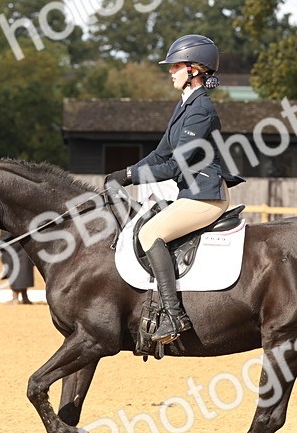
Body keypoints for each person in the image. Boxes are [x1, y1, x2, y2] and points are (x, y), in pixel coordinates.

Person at [104, 34, 244, 344]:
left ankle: (174, 315)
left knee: (149, 233)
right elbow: (159, 155)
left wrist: (129, 176)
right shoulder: (185, 106)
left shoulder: (201, 110)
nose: (170, 71)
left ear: (194, 69)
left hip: (205, 197)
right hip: (190, 194)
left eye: (176, 66)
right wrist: (125, 172)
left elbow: (174, 167)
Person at [0, 230, 34, 305]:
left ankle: (15, 298)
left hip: (11, 242)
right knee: (24, 269)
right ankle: (25, 297)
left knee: (13, 268)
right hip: (25, 239)